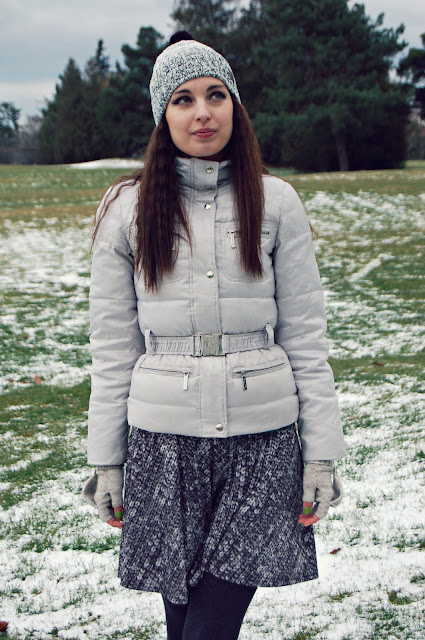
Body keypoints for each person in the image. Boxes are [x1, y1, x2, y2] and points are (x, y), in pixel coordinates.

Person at [83, 31, 346, 640]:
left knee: (209, 627)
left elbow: (307, 340)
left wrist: (321, 456)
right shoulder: (126, 210)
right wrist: (108, 462)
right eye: (183, 99)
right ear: (163, 115)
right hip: (162, 444)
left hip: (263, 441)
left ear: (235, 106)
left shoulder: (276, 202)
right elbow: (114, 350)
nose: (202, 112)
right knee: (183, 623)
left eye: (215, 95)